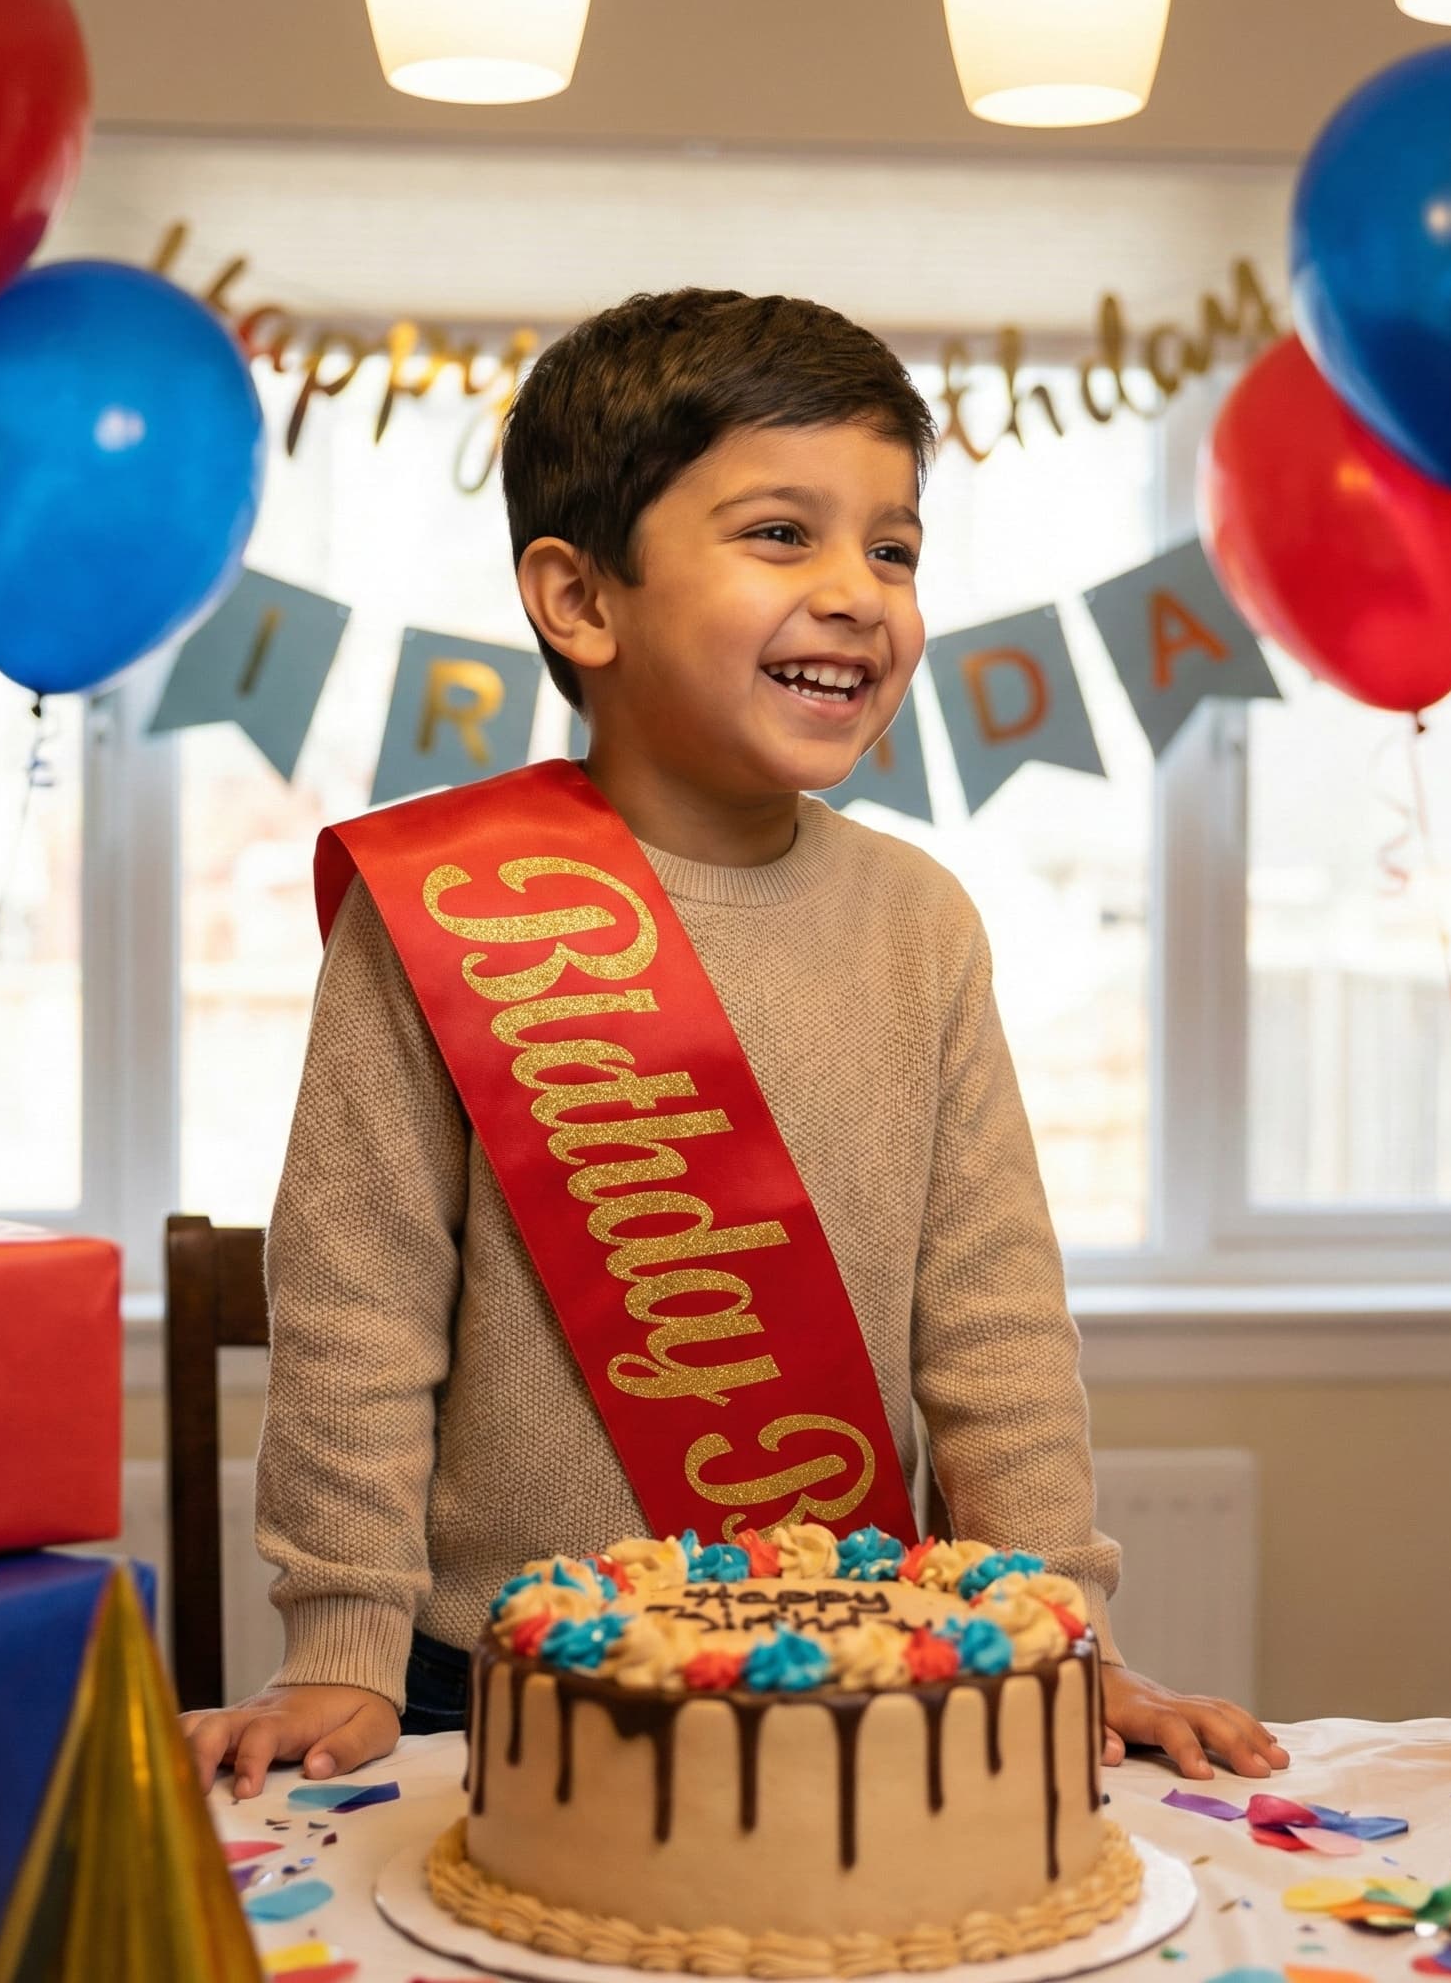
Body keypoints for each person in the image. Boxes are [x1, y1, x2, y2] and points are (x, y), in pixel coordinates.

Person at [182, 288, 1287, 1800]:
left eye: (893, 548)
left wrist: (1059, 1634)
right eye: (783, 534)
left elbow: (995, 1331)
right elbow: (357, 1317)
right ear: (580, 601)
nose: (859, 594)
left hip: (852, 1678)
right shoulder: (446, 911)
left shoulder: (921, 925)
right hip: (483, 1691)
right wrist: (341, 1648)